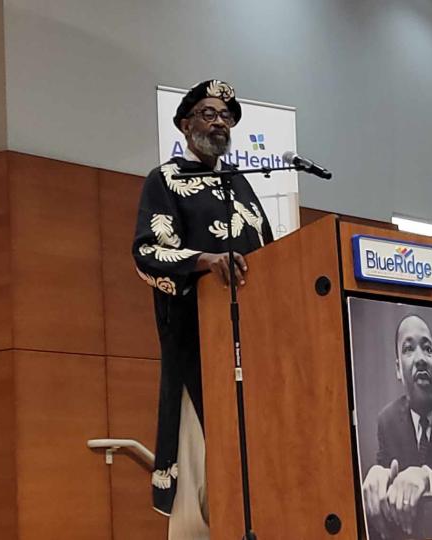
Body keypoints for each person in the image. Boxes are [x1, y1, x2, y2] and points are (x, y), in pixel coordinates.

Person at [132, 79, 275, 539]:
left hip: (253, 348)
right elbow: (147, 253)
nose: (219, 123)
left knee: (255, 468)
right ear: (184, 124)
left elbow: (270, 256)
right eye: (208, 114)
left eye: (225, 117)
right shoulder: (167, 179)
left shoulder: (240, 185)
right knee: (202, 475)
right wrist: (204, 262)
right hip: (198, 344)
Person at [362, 314, 432, 537]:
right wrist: (379, 478)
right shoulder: (386, 422)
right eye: (408, 349)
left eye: (427, 349)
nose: (420, 358)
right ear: (398, 369)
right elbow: (388, 480)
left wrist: (426, 477)